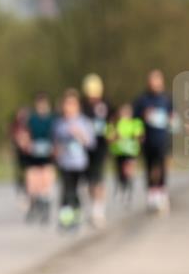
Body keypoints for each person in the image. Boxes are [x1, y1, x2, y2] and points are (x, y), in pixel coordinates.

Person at [133, 69, 175, 213]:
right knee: (150, 167)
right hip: (147, 139)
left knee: (162, 166)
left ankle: (162, 194)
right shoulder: (142, 100)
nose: (154, 83)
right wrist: (138, 133)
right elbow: (135, 120)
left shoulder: (167, 98)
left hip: (162, 138)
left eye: (157, 80)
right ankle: (151, 195)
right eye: (152, 80)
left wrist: (169, 120)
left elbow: (173, 118)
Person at [53, 89, 96, 232]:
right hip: (65, 162)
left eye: (71, 104)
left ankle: (76, 217)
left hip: (79, 162)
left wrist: (79, 134)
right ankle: (66, 219)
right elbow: (56, 141)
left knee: (76, 191)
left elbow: (90, 143)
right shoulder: (60, 123)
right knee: (66, 191)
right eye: (66, 104)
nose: (68, 107)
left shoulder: (83, 122)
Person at [18, 92, 56, 225]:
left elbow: (56, 135)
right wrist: (25, 143)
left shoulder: (52, 119)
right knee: (32, 183)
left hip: (47, 155)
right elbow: (24, 134)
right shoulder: (31, 119)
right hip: (33, 155)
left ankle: (45, 208)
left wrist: (54, 147)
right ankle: (34, 206)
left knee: (46, 181)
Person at [80, 73, 112, 227]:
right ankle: (92, 207)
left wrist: (112, 133)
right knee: (87, 183)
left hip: (100, 147)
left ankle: (98, 211)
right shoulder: (81, 107)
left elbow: (114, 122)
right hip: (85, 149)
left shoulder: (106, 105)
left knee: (98, 179)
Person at [107, 103, 144, 204]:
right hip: (119, 151)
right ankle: (121, 188)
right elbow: (109, 137)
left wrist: (136, 136)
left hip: (131, 151)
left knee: (128, 170)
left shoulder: (135, 123)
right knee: (120, 171)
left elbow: (140, 136)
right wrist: (115, 137)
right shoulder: (115, 123)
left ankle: (129, 188)